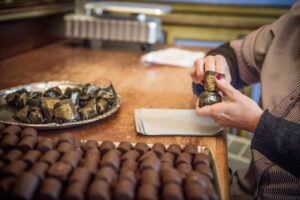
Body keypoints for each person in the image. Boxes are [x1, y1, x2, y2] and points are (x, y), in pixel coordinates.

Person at [190, 1, 300, 199]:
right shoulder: (294, 20)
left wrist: (258, 124)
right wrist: (218, 64)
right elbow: (234, 54)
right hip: (247, 189)